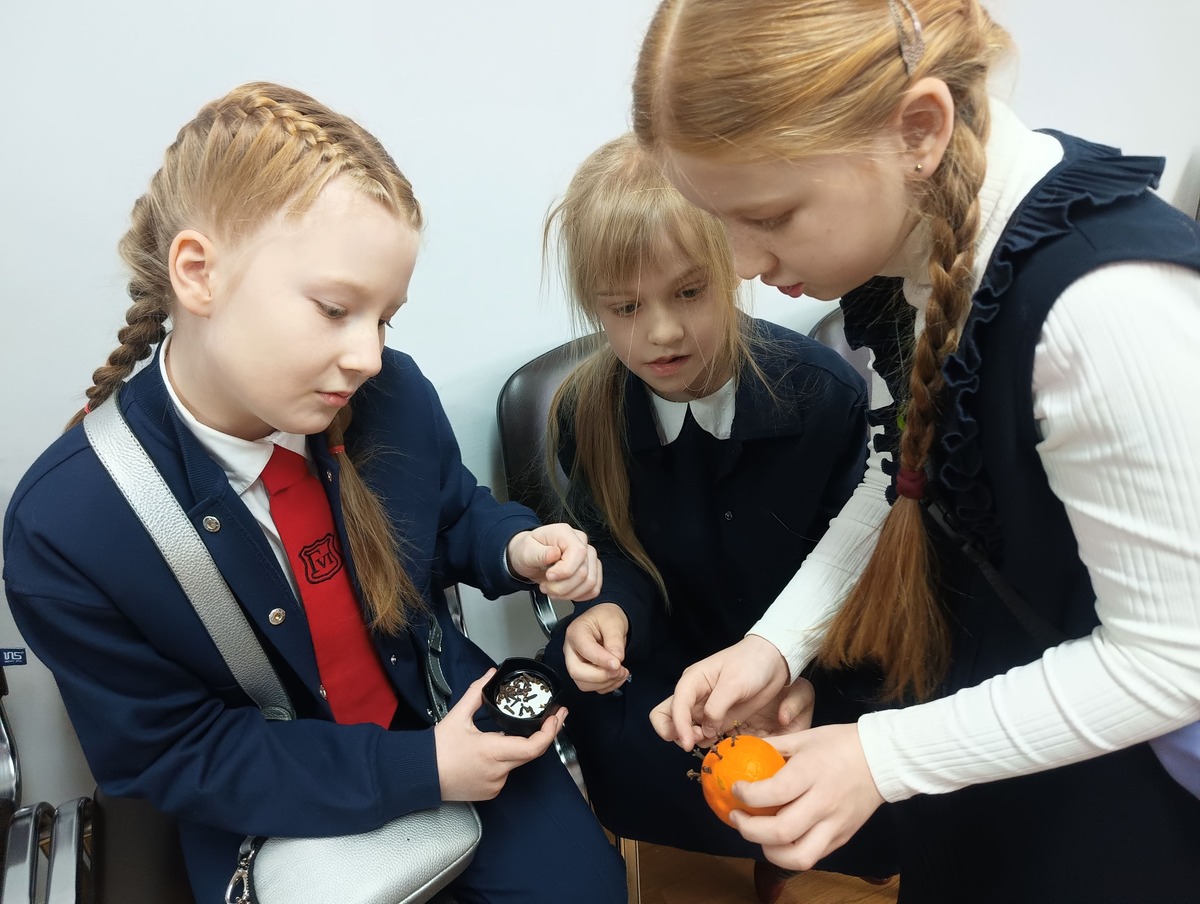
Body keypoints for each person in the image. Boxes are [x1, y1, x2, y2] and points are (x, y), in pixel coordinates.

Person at [630, 1, 1200, 901]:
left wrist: (882, 756)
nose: (741, 263)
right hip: (982, 750)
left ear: (920, 131)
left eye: (769, 216)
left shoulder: (1104, 310)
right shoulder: (909, 261)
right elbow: (906, 475)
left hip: (1116, 801)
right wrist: (777, 643)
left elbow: (1174, 659)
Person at [2, 82, 627, 904]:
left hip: (445, 720)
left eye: (384, 319)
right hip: (274, 802)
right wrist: (423, 768)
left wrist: (515, 546)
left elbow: (448, 515)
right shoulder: (66, 527)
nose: (368, 355)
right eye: (335, 310)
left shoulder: (390, 394)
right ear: (198, 274)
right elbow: (172, 753)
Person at [539, 133, 897, 892]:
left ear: (734, 265)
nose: (661, 332)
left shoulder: (822, 394)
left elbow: (858, 570)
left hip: (808, 658)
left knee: (842, 764)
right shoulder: (585, 411)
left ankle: (787, 864)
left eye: (689, 293)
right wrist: (606, 611)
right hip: (672, 665)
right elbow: (610, 551)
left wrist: (798, 676)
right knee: (610, 726)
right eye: (625, 307)